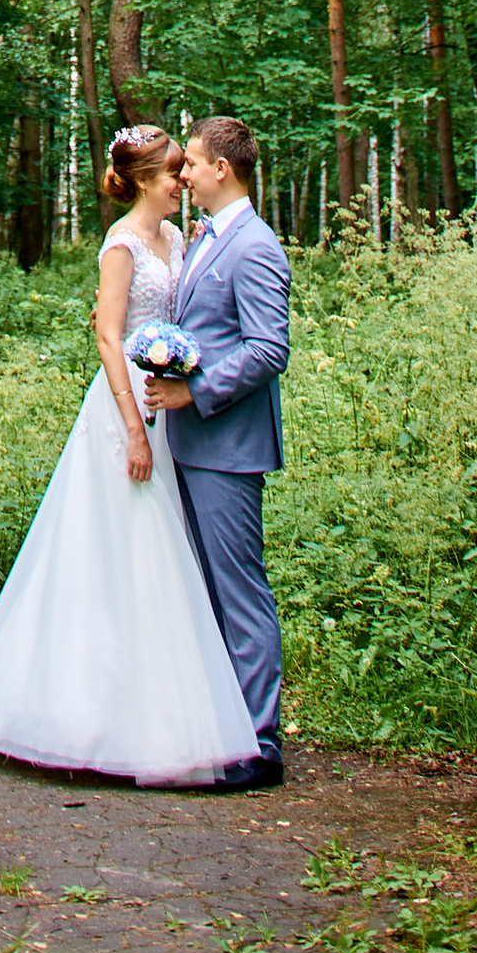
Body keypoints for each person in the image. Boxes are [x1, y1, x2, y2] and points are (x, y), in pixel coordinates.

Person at [0, 124, 258, 784]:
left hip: (174, 408)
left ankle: (163, 712)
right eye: (175, 172)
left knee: (165, 563)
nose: (183, 183)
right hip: (125, 412)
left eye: (186, 170)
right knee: (112, 554)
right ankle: (82, 717)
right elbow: (109, 339)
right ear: (146, 180)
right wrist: (135, 428)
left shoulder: (178, 239)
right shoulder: (120, 247)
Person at [146, 113, 289, 786]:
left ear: (221, 170)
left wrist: (192, 393)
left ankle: (260, 745)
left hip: (228, 444)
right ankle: (220, 727)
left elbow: (267, 349)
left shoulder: (255, 247)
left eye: (193, 165)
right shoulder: (207, 238)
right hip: (194, 443)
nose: (185, 175)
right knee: (204, 591)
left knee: (239, 592)